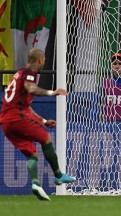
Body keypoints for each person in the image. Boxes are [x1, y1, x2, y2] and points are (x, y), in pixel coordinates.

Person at [0, 48, 76, 201]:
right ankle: (58, 176)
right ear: (40, 60)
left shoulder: (18, 75)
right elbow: (31, 88)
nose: (44, 63)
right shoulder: (29, 73)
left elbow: (27, 107)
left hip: (6, 123)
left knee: (31, 153)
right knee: (46, 139)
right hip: (17, 117)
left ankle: (35, 184)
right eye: (44, 61)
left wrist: (43, 121)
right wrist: (52, 92)